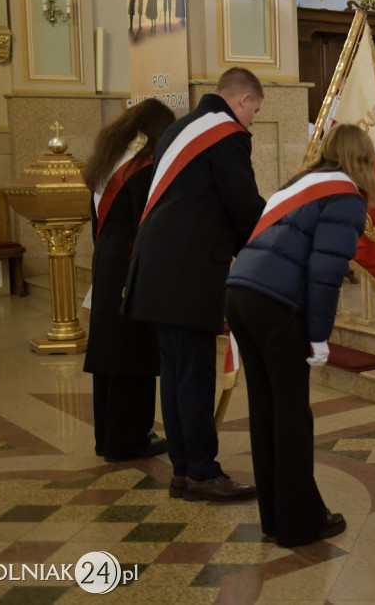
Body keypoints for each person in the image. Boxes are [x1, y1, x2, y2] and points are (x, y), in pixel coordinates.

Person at [225, 124, 375, 547]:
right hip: (275, 305)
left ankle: (276, 517)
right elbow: (325, 272)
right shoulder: (345, 197)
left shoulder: (298, 184)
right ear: (363, 161)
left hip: (240, 295)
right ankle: (300, 525)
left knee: (266, 409)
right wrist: (318, 336)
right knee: (292, 413)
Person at [123, 67, 266, 502]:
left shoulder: (179, 129)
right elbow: (244, 207)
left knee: (176, 375)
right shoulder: (226, 134)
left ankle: (184, 470)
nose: (252, 121)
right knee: (196, 376)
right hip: (188, 275)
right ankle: (203, 471)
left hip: (155, 269)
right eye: (255, 111)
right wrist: (276, 239)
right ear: (242, 100)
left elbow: (200, 203)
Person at [82, 99, 175, 463]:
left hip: (107, 260)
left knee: (109, 349)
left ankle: (106, 437)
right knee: (133, 350)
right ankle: (130, 440)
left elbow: (99, 222)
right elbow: (149, 226)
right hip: (129, 263)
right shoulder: (142, 169)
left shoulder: (108, 162)